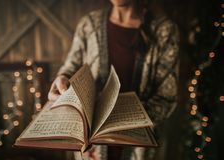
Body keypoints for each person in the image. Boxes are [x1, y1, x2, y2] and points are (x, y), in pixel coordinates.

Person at [48, 0, 179, 159]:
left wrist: (120, 118)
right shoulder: (89, 24)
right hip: (91, 149)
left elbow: (167, 97)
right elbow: (71, 67)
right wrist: (62, 78)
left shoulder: (164, 30)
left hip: (138, 147)